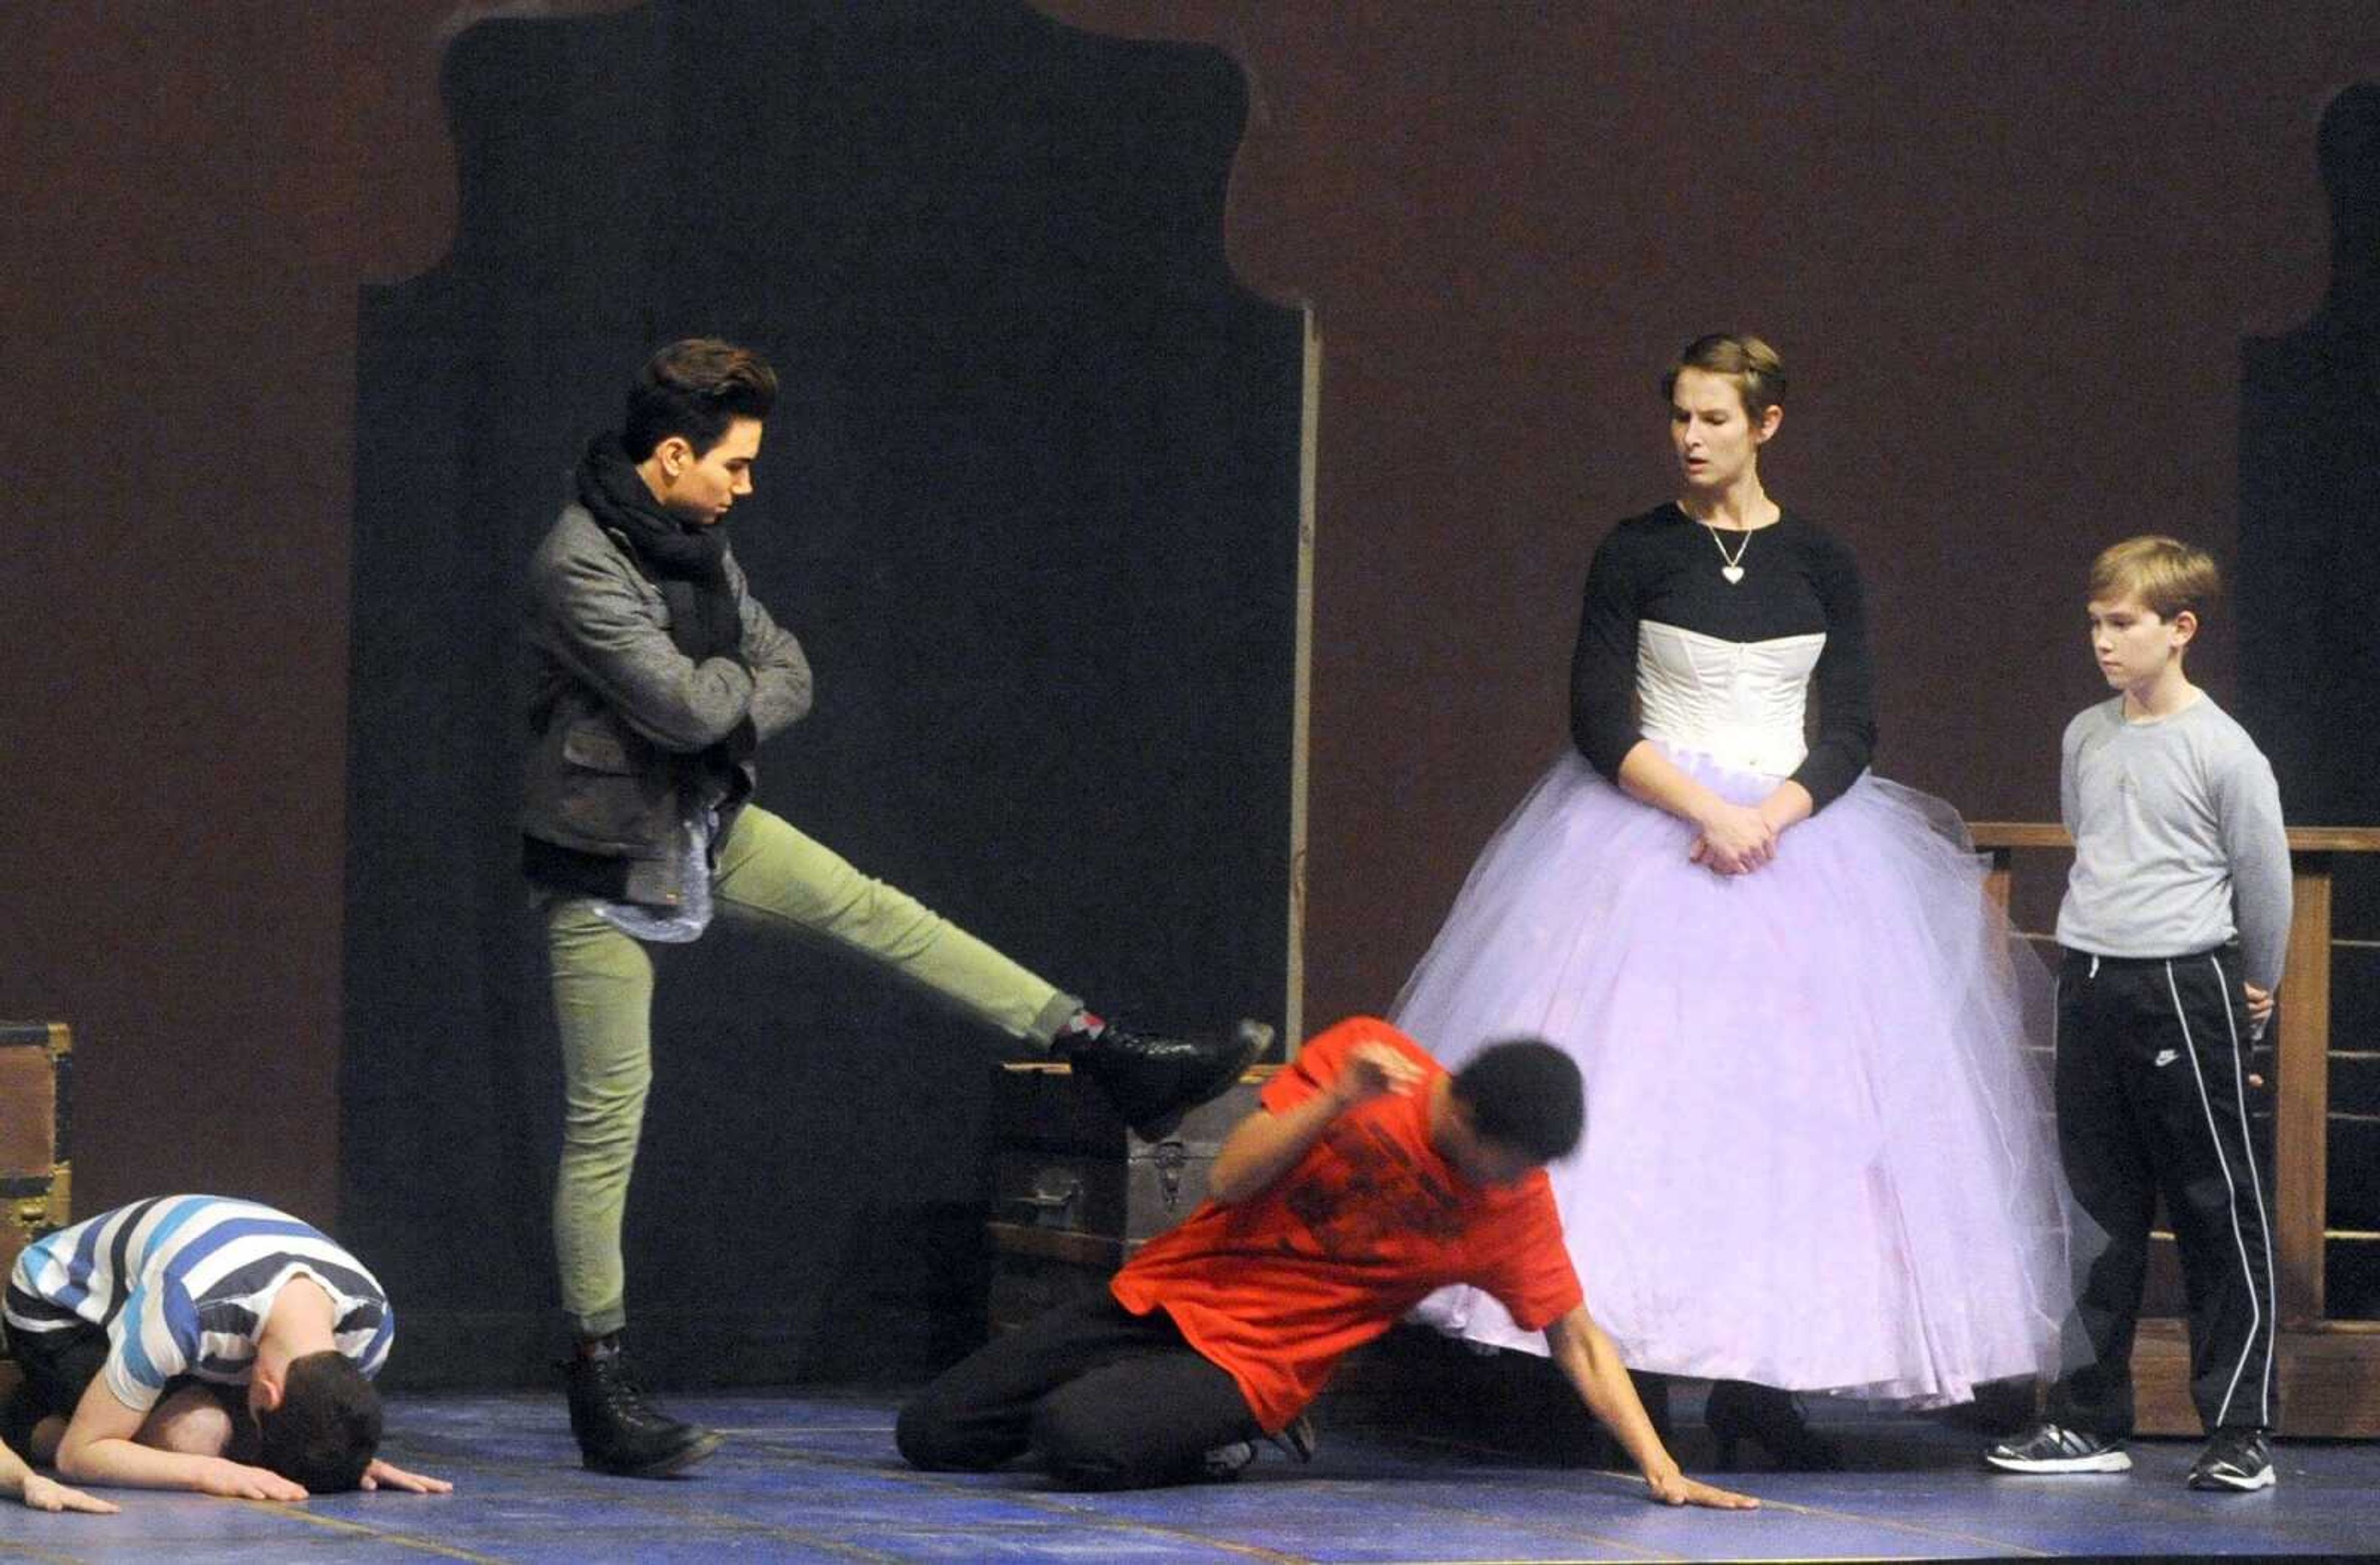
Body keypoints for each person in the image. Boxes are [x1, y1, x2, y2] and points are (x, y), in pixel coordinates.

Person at [525, 338, 1266, 1478]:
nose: (747, 486)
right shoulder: (578, 562)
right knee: (609, 1117)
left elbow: (789, 668)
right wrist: (724, 702)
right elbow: (681, 705)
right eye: (734, 463)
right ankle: (600, 1375)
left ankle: (1107, 1051)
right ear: (672, 455)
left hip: (707, 825)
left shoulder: (696, 541)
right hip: (608, 865)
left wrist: (723, 705)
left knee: (885, 914)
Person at [1395, 334, 2079, 1466]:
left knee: (1793, 1121)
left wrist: (1775, 813)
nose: (1690, 437)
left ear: (1765, 426)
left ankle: (1767, 1384)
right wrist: (1703, 812)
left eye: (1714, 419)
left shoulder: (1821, 561)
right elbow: (1599, 714)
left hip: (1796, 842)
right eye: (1680, 417)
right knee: (1650, 1107)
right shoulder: (1635, 553)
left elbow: (1854, 724)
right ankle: (1638, 1370)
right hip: (1650, 832)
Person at [897, 1015, 1757, 1507]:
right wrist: (1339, 1099)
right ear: (1463, 1111)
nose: (1521, 1179)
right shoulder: (1369, 1062)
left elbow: (1578, 1336)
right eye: (1514, 1158)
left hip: (1254, 1364)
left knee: (1075, 1439)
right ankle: (1134, 1410)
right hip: (1163, 1299)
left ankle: (1214, 1436)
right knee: (932, 1434)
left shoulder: (1511, 1207)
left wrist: (1661, 1465)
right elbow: (1230, 1178)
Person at [1985, 537, 2288, 1492]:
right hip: (2095, 977)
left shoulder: (2222, 748)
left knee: (2215, 1204)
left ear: (2180, 629)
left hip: (2183, 981)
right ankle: (2086, 1416)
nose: (2104, 642)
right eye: (2096, 624)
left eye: (2123, 625)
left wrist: (2256, 988)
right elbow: (2090, 832)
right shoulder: (2088, 733)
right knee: (2095, 1207)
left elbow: (2262, 877)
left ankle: (2239, 1426)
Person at [0, 1194, 448, 1501]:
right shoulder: (188, 1306)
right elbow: (80, 1455)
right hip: (63, 1309)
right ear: (268, 1392)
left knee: (225, 1434)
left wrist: (346, 1457)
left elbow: (327, 1409)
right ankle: (27, 1421)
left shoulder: (368, 1329)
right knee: (195, 1438)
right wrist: (210, 1473)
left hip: (206, 1323)